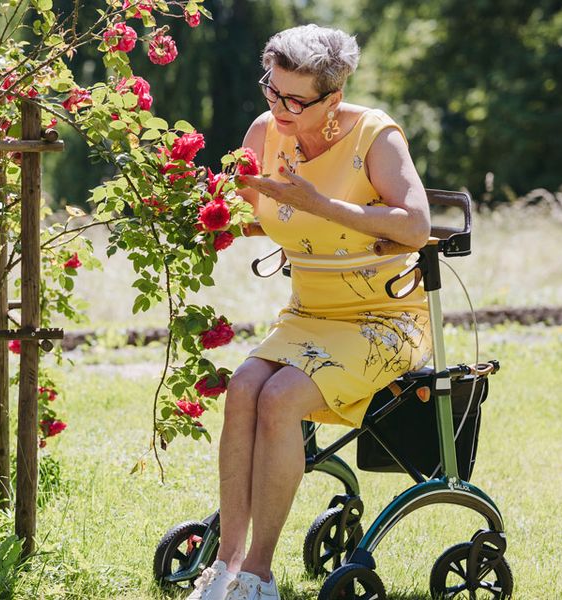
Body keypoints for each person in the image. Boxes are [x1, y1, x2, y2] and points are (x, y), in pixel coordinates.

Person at [186, 24, 434, 600]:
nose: (280, 108)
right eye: (272, 91)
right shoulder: (263, 130)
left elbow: (417, 227)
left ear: (334, 96)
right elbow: (255, 213)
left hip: (382, 319)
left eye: (295, 99)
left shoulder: (376, 136)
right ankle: (224, 567)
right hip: (308, 312)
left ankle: (259, 575)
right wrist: (197, 211)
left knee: (280, 398)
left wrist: (319, 203)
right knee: (244, 386)